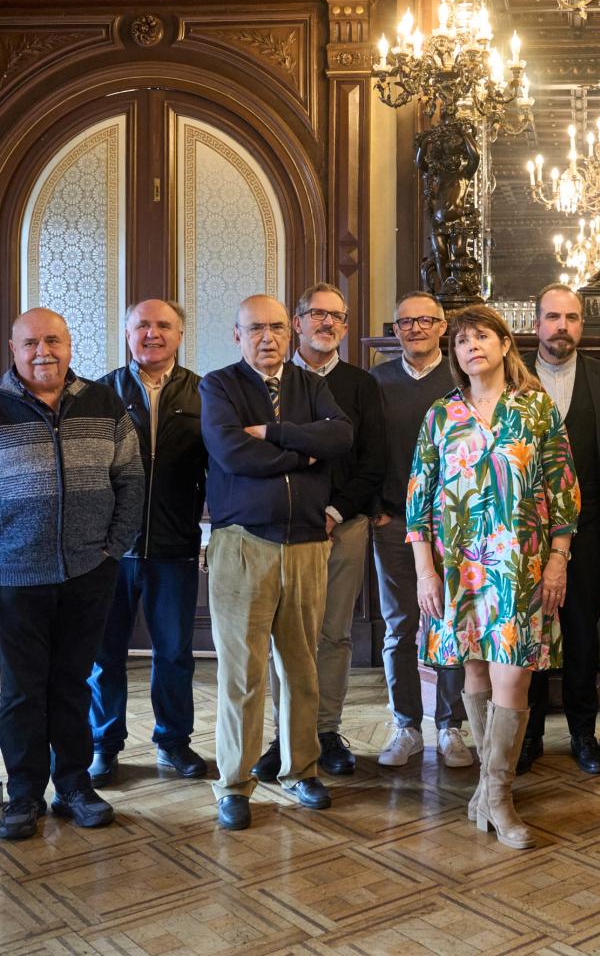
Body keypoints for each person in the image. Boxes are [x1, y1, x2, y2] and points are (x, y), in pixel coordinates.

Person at [0, 308, 144, 841]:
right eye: (31, 343)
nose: (43, 352)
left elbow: (131, 481)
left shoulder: (104, 403)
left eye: (53, 341)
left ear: (70, 345)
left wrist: (112, 549)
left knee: (73, 685)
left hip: (87, 573)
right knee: (23, 692)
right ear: (13, 348)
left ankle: (74, 785)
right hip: (12, 577)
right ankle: (23, 794)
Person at [407, 304, 579, 849]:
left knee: (514, 678)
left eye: (482, 336)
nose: (470, 346)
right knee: (475, 675)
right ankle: (488, 795)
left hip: (521, 568)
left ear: (506, 344)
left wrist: (558, 557)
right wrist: (425, 573)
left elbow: (564, 491)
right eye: (461, 341)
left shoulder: (535, 409)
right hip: (458, 570)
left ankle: (497, 796)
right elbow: (418, 501)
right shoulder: (440, 415)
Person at [200, 294, 352, 830]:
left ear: (291, 334)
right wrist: (305, 454)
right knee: (243, 674)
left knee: (302, 667)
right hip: (244, 544)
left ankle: (301, 770)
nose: (268, 337)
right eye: (256, 328)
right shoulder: (219, 386)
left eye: (278, 328)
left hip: (308, 544)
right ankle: (235, 784)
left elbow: (341, 436)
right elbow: (230, 452)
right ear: (236, 335)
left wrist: (278, 435)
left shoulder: (311, 384)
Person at [252, 284, 386, 781]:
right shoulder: (267, 382)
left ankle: (325, 730)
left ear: (345, 328)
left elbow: (372, 460)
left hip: (342, 525)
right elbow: (258, 453)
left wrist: (334, 510)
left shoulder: (361, 385)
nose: (327, 323)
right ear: (297, 322)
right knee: (282, 636)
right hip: (280, 528)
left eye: (337, 317)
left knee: (333, 633)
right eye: (316, 315)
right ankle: (285, 734)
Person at [88, 299, 208, 787]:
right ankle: (103, 746)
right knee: (104, 655)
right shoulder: (100, 393)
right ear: (126, 332)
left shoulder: (205, 393)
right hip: (110, 550)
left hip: (176, 545)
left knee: (176, 652)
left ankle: (174, 742)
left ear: (180, 334)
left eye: (163, 326)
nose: (152, 334)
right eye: (142, 325)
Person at [367, 291, 471, 767]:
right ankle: (405, 725)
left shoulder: (462, 378)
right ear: (396, 330)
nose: (415, 329)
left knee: (450, 625)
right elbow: (363, 451)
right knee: (400, 626)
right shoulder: (377, 382)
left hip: (455, 527)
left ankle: (450, 727)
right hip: (394, 522)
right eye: (405, 322)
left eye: (425, 320)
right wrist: (376, 508)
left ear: (442, 326)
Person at [523, 284, 600, 776]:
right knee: (532, 634)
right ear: (536, 323)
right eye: (553, 317)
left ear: (582, 325)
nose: (562, 326)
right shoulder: (511, 376)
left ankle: (584, 734)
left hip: (586, 530)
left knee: (583, 633)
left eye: (572, 318)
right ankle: (530, 734)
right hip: (522, 535)